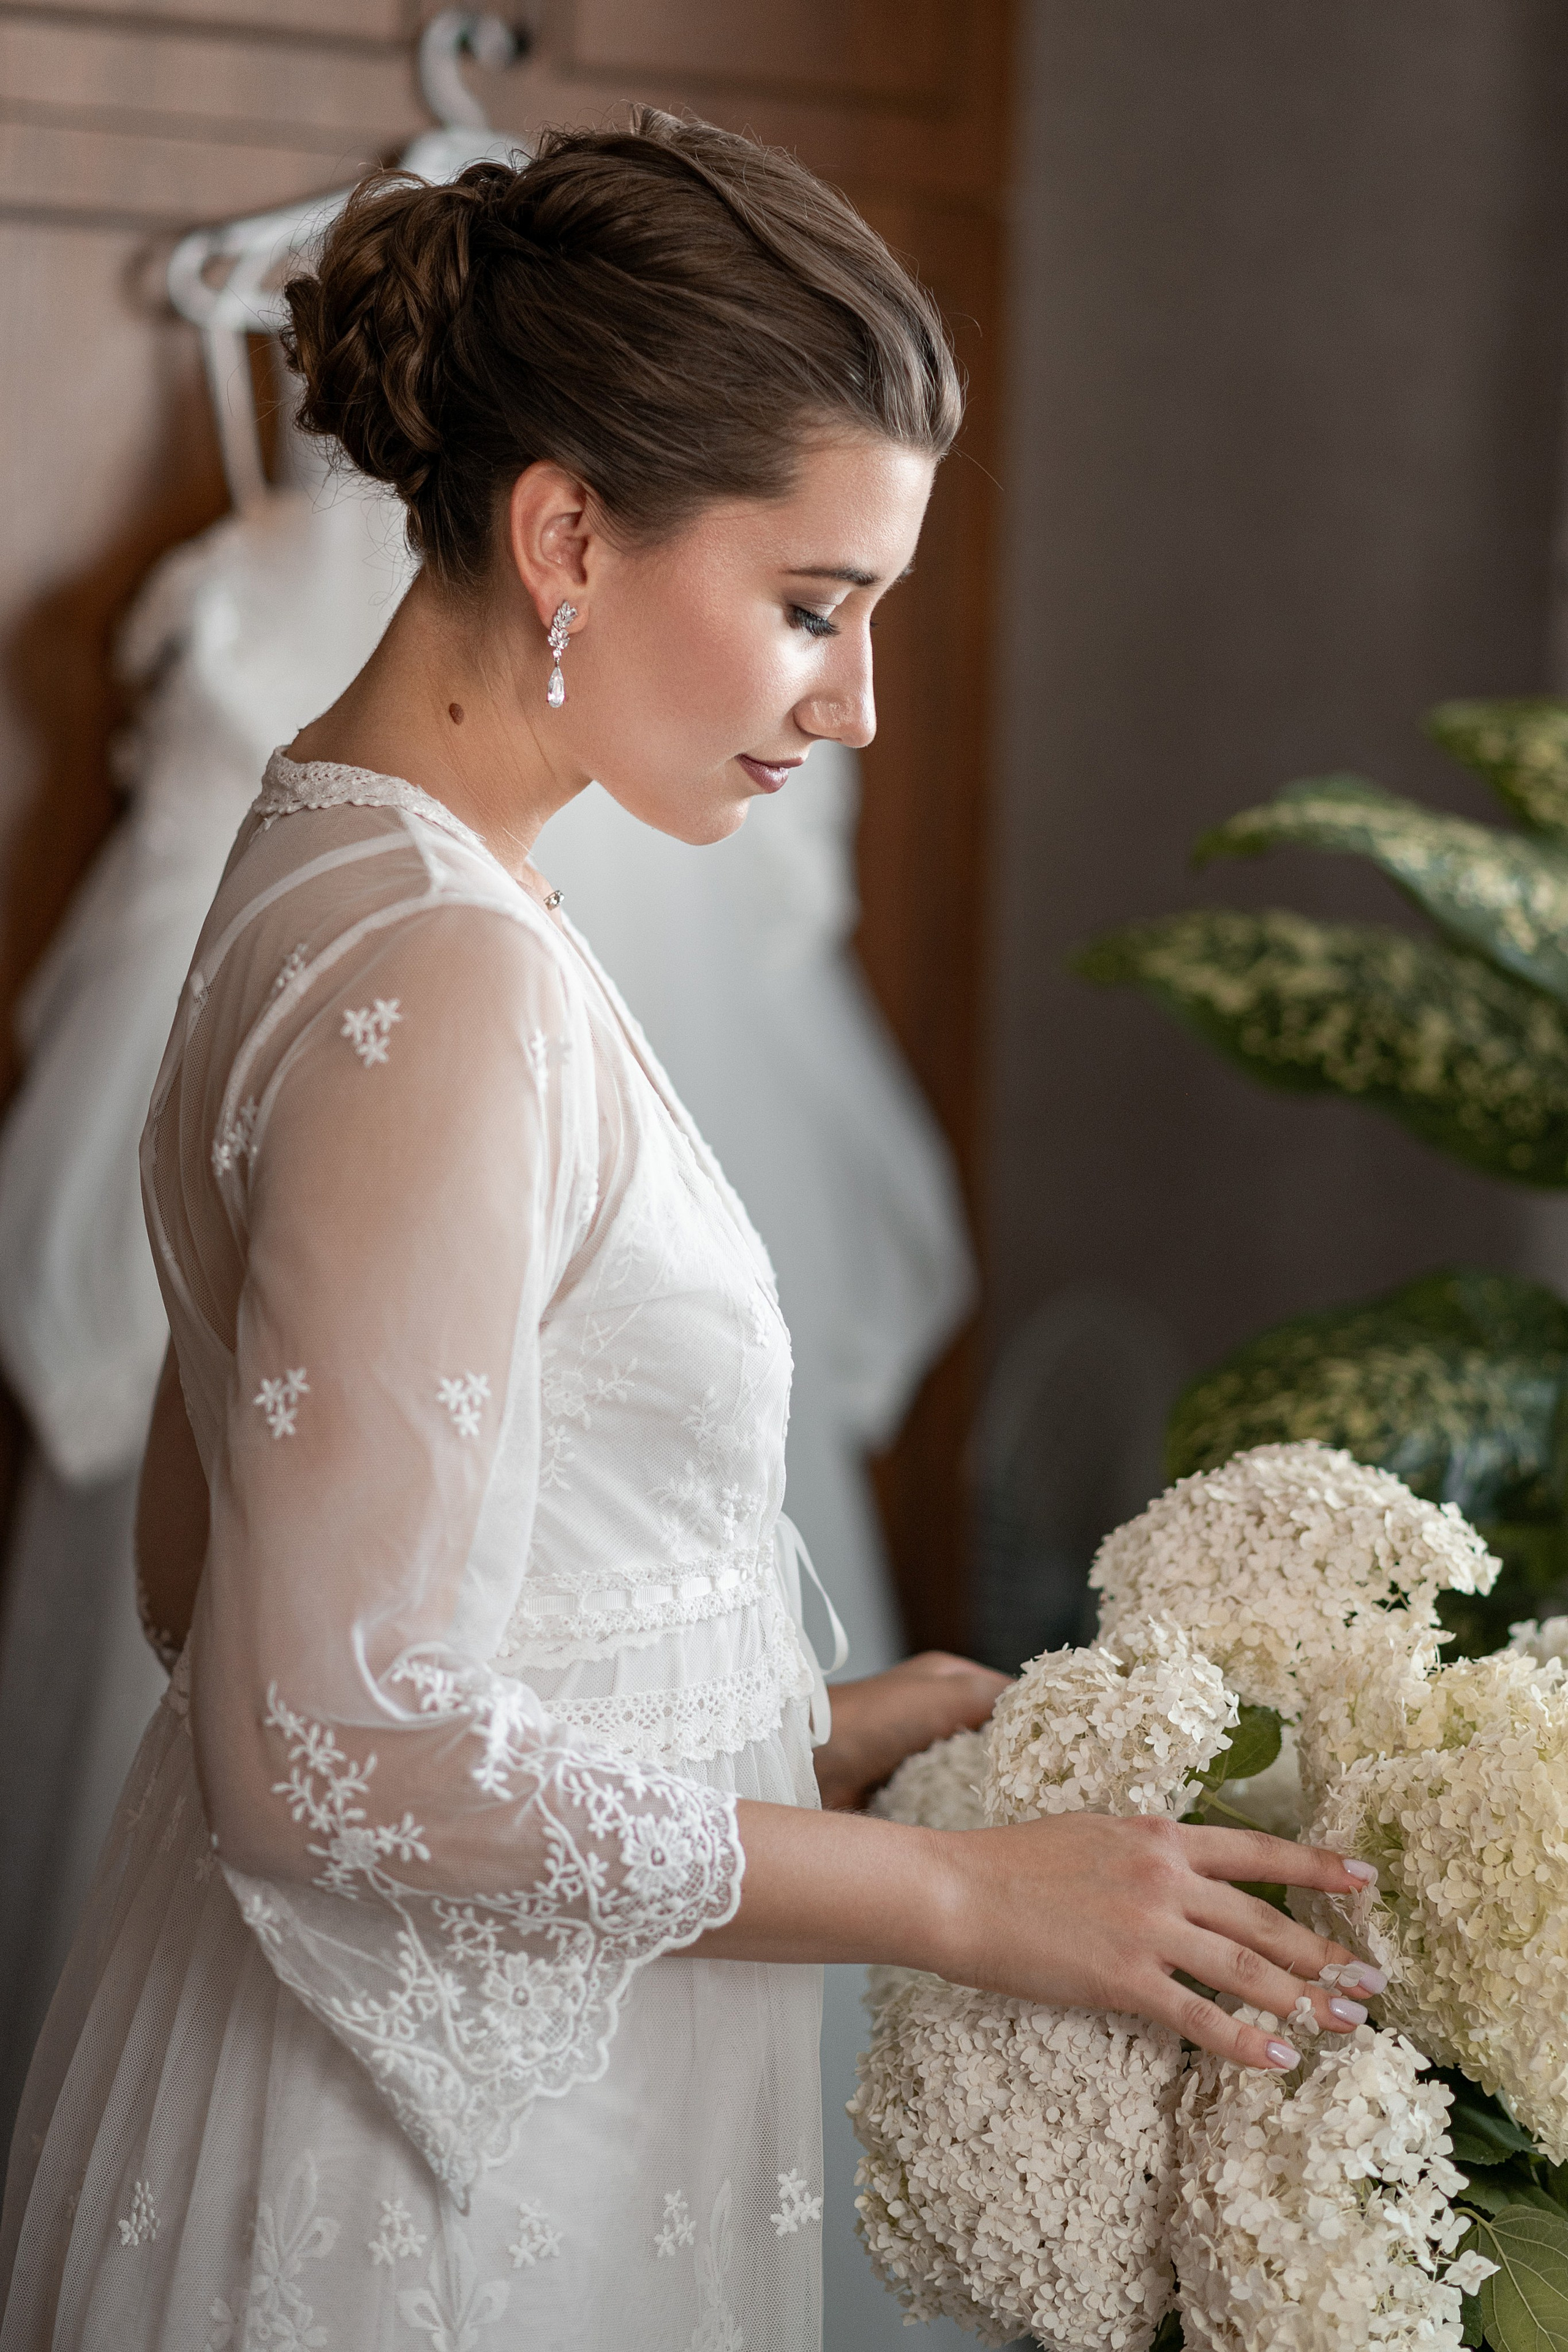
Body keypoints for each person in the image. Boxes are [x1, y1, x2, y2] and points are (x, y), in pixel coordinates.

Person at [0, 111, 1375, 2352]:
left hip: (401, 2101)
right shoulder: (442, 974)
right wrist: (956, 1896)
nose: (858, 703)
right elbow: (322, 1756)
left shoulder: (330, 862)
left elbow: (207, 1582)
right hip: (436, 2203)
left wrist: (778, 1728)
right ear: (565, 533)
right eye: (812, 608)